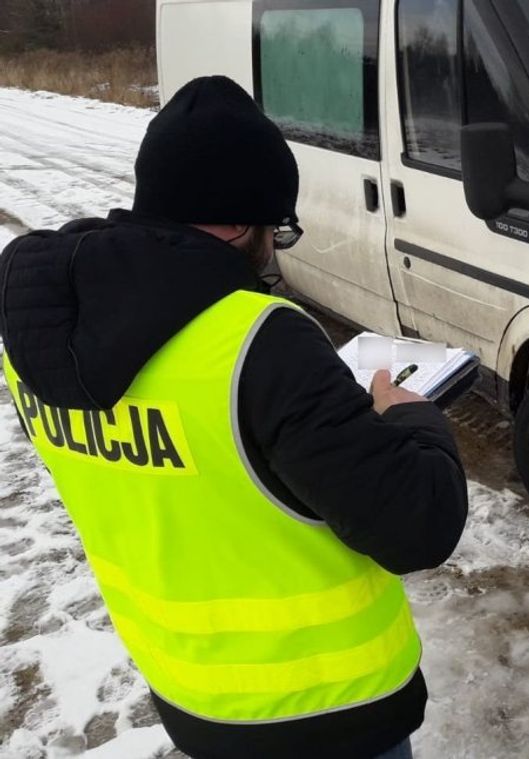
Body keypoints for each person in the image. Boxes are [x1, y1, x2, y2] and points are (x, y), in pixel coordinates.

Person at [0, 76, 468, 759]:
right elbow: (417, 525)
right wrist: (413, 419)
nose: (276, 249)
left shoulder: (32, 341)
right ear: (235, 225)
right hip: (332, 712)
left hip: (192, 698)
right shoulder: (262, 341)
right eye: (276, 228)